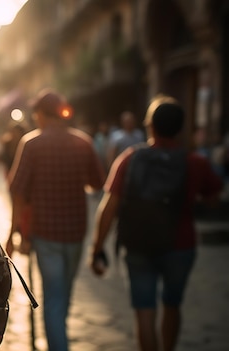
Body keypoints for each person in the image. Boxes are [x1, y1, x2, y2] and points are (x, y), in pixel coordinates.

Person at [89, 95, 223, 351]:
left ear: (150, 126)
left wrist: (96, 249)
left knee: (144, 312)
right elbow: (214, 198)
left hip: (138, 244)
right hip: (180, 245)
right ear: (181, 128)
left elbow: (109, 207)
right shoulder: (195, 162)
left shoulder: (129, 159)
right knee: (172, 305)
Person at [6, 89, 104, 351]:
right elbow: (97, 182)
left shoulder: (31, 144)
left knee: (54, 298)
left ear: (40, 115)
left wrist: (14, 234)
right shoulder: (83, 143)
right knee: (64, 295)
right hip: (75, 231)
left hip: (45, 233)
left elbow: (18, 192)